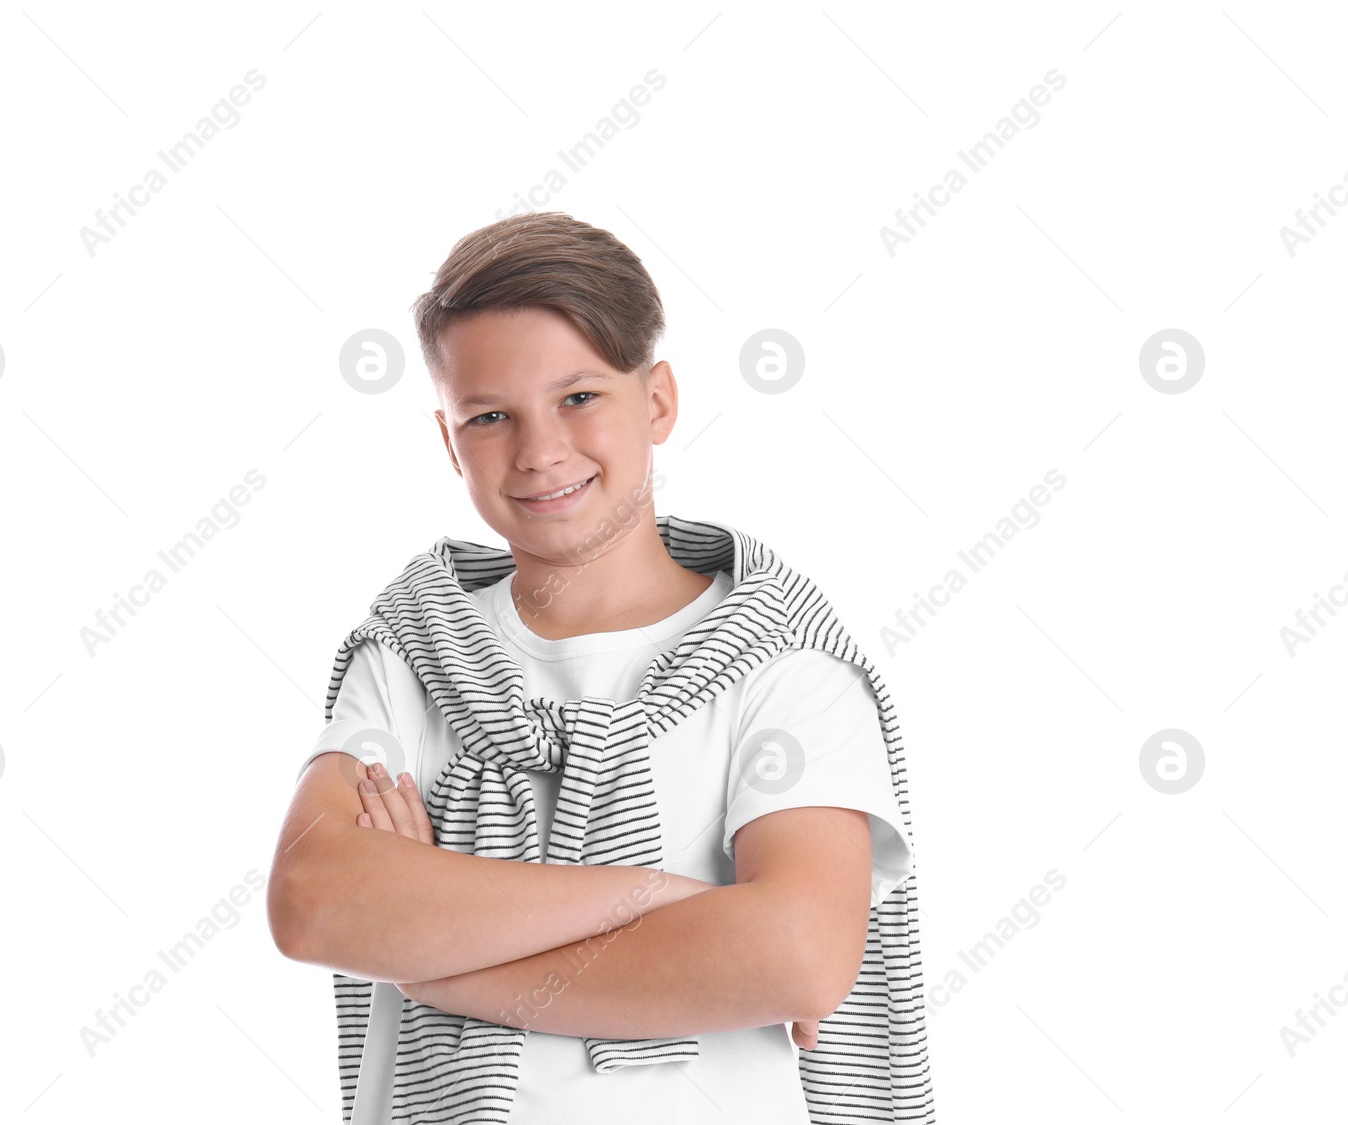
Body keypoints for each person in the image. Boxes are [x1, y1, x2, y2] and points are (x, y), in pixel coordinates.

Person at [268, 211, 931, 1124]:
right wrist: (656, 898)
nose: (540, 452)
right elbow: (314, 900)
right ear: (448, 439)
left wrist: (436, 961)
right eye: (490, 416)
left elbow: (796, 954)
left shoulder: (781, 663)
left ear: (656, 399)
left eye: (579, 397)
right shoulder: (415, 650)